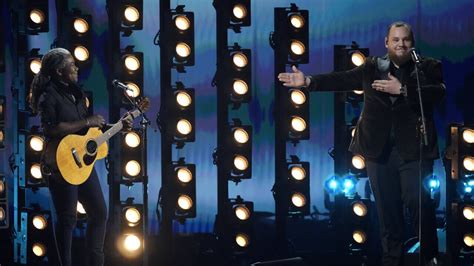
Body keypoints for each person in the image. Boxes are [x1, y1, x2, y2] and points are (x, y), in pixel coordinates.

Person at [278, 22, 445, 266]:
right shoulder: (372, 67)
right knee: (388, 214)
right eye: (395, 39)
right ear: (386, 43)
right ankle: (392, 261)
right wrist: (309, 82)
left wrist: (404, 90)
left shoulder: (428, 67)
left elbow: (439, 92)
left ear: (412, 43)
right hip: (378, 151)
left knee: (418, 202)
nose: (401, 44)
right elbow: (342, 80)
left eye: (405, 39)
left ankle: (428, 257)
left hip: (413, 151)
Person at [29, 48, 132, 266]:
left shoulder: (76, 93)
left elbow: (90, 131)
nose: (76, 68)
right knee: (67, 221)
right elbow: (51, 129)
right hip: (60, 162)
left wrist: (118, 127)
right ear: (59, 71)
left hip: (81, 163)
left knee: (100, 213)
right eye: (71, 64)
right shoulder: (49, 95)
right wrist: (87, 122)